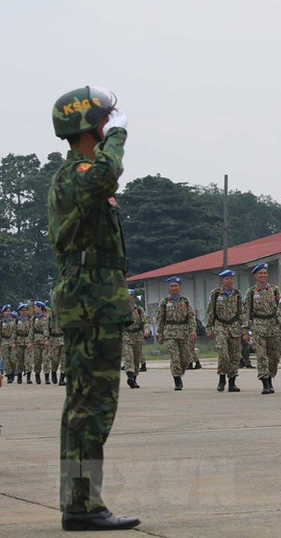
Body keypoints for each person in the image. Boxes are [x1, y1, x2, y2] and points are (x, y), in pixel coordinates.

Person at [48, 86, 140, 529]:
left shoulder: (78, 174)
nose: (111, 126)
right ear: (89, 127)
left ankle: (79, 501)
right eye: (106, 121)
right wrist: (117, 140)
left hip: (92, 301)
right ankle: (83, 506)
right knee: (92, 408)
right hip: (92, 303)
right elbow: (106, 176)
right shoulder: (81, 174)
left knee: (83, 406)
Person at [245, 263, 281, 394]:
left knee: (274, 356)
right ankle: (265, 382)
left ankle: (270, 376)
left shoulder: (275, 290)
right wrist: (245, 329)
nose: (263, 275)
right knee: (261, 356)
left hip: (273, 325)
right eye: (260, 273)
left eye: (265, 273)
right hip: (259, 325)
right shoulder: (251, 292)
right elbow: (246, 312)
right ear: (255, 276)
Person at [205, 269, 245, 393]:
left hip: (234, 326)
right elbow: (211, 311)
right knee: (223, 353)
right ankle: (222, 378)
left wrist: (244, 329)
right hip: (220, 325)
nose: (229, 281)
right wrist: (209, 327)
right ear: (222, 280)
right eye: (227, 278)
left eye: (231, 278)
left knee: (235, 355)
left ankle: (232, 382)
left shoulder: (237, 294)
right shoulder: (216, 293)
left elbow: (241, 313)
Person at [156, 277, 197, 391]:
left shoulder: (185, 301)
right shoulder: (165, 301)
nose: (174, 288)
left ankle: (180, 372)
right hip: (170, 333)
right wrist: (160, 334)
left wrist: (193, 330)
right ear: (169, 288)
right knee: (175, 357)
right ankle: (177, 380)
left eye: (176, 286)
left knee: (185, 359)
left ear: (179, 287)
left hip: (184, 332)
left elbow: (191, 317)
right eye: (171, 286)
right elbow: (160, 318)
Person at [121, 291, 149, 389]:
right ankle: (130, 377)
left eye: (131, 296)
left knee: (136, 359)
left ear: (134, 298)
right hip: (126, 336)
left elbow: (145, 322)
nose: (129, 298)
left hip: (137, 336)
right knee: (129, 358)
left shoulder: (139, 310)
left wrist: (146, 330)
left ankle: (134, 378)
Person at [1, 305, 15, 384]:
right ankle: (9, 375)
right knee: (6, 359)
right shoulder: (1, 322)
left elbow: (15, 332)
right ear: (3, 313)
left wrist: (13, 341)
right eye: (6, 311)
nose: (8, 312)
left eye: (9, 311)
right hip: (4, 341)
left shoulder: (14, 321)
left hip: (12, 341)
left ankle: (13, 372)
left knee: (13, 359)